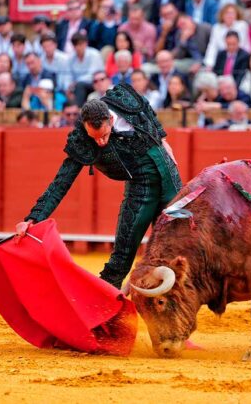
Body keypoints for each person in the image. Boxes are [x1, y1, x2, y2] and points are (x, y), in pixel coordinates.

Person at [16, 85, 182, 289]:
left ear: (110, 119)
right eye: (94, 137)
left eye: (103, 135)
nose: (100, 142)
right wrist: (34, 218)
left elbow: (146, 108)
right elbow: (62, 180)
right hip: (140, 185)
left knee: (174, 244)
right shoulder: (82, 138)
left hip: (168, 173)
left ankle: (177, 301)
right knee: (123, 251)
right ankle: (105, 301)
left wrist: (162, 138)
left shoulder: (124, 98)